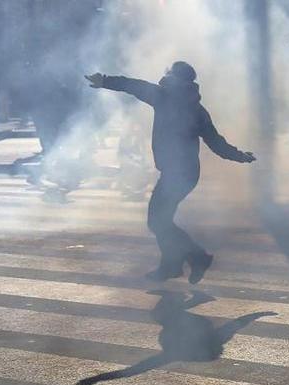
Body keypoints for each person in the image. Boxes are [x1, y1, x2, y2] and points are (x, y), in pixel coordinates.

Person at [85, 61, 256, 284]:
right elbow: (216, 143)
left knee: (158, 221)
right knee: (161, 220)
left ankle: (197, 258)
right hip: (186, 173)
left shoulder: (162, 96)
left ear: (172, 76)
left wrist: (105, 81)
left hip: (177, 174)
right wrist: (240, 155)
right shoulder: (196, 108)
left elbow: (132, 85)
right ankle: (172, 266)